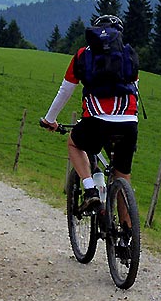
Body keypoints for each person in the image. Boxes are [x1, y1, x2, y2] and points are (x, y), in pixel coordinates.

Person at [40, 14, 140, 212]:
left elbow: (65, 90)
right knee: (122, 176)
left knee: (74, 143)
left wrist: (50, 119)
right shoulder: (129, 55)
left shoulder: (82, 55)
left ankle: (90, 190)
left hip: (96, 120)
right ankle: (126, 236)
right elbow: (135, 91)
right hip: (128, 121)